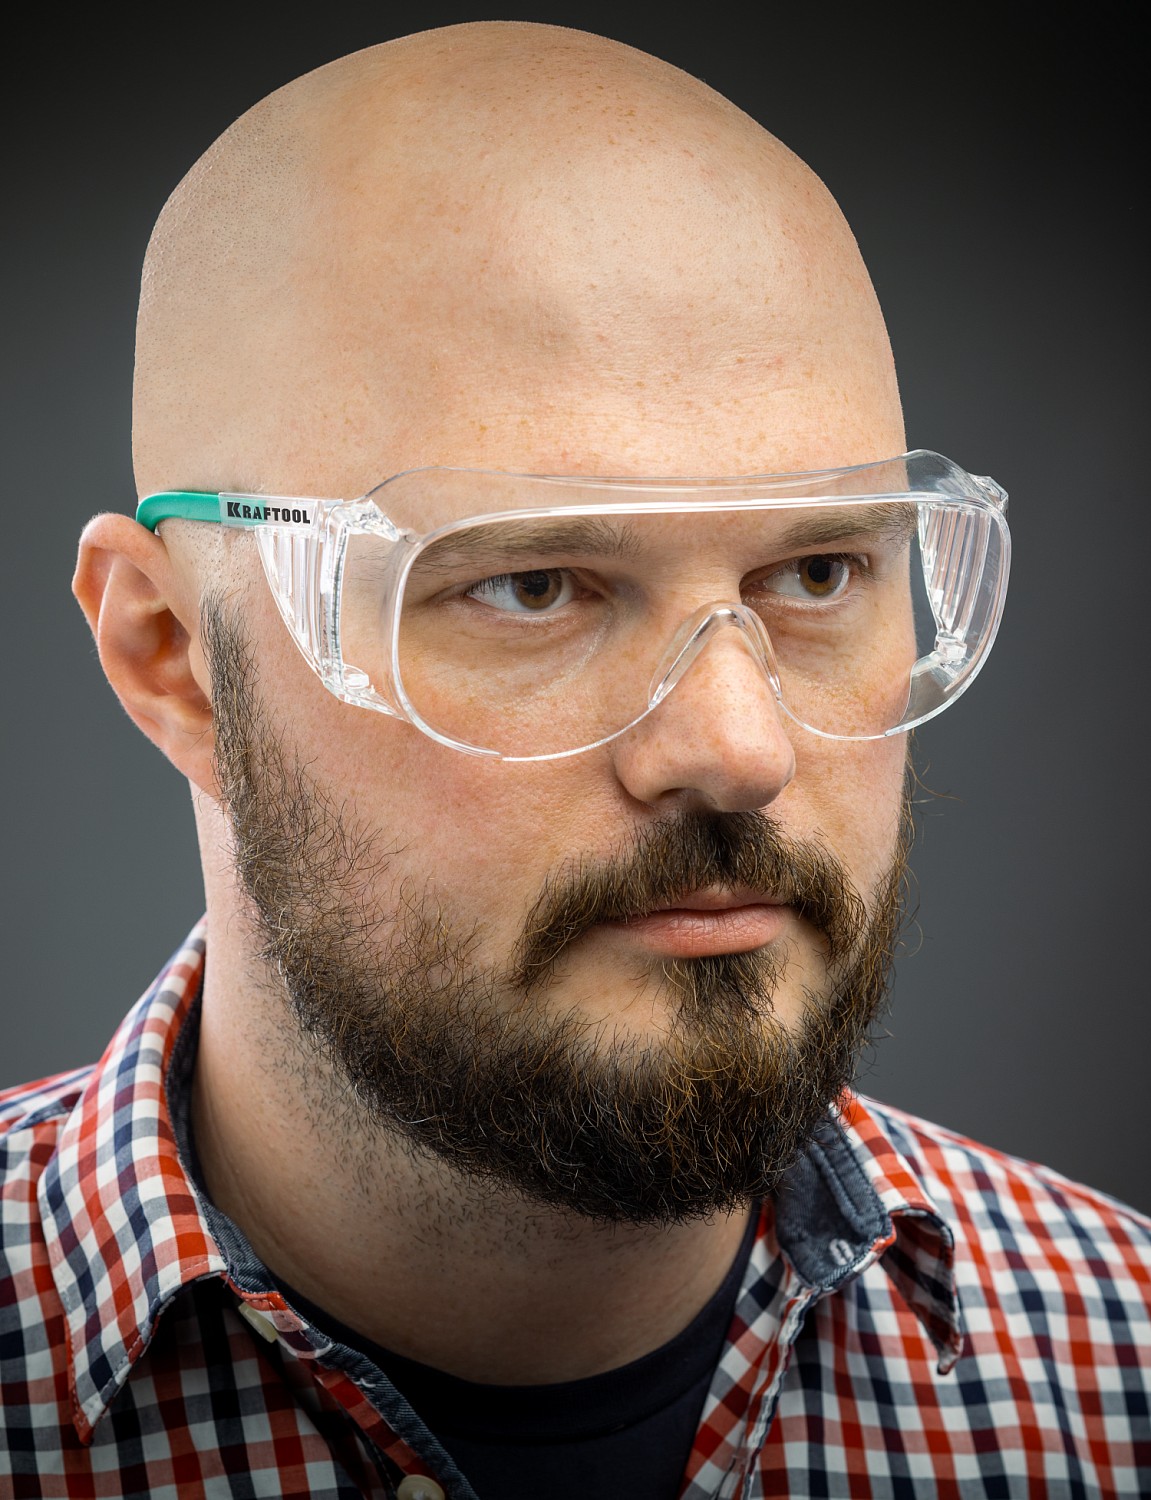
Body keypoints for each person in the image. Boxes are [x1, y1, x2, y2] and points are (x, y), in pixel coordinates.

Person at [1, 20, 1147, 1499]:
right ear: (174, 658)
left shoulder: (1116, 1380)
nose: (737, 749)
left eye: (818, 573)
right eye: (531, 586)